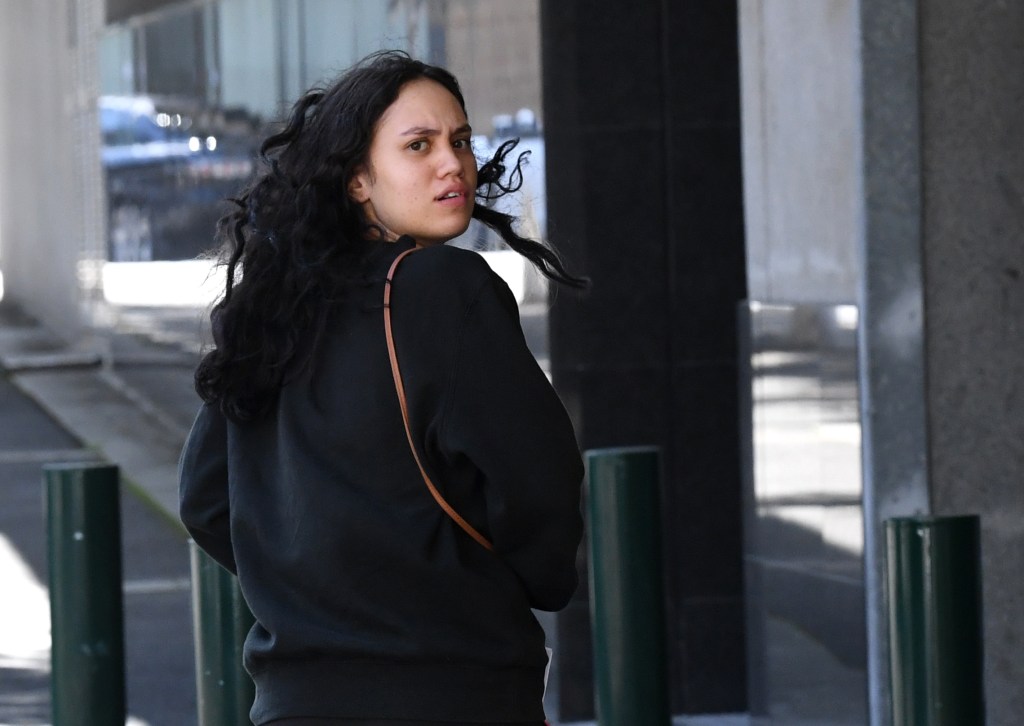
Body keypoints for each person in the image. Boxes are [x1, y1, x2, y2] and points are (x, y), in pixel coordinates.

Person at [178, 50, 587, 726]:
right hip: (448, 692)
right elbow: (537, 485)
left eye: (459, 140)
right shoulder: (444, 288)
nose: (452, 164)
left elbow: (204, 498)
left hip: (293, 702)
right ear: (359, 179)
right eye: (418, 146)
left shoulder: (278, 306)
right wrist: (495, 585)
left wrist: (314, 596)